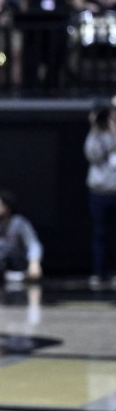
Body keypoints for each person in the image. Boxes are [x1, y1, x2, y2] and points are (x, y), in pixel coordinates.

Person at [0, 189, 43, 283]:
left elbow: (33, 243)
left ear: (7, 207)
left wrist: (34, 261)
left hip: (18, 267)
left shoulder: (20, 223)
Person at [84, 97, 116, 288]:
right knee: (100, 233)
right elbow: (92, 155)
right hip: (99, 192)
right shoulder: (98, 134)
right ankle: (100, 273)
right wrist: (96, 128)